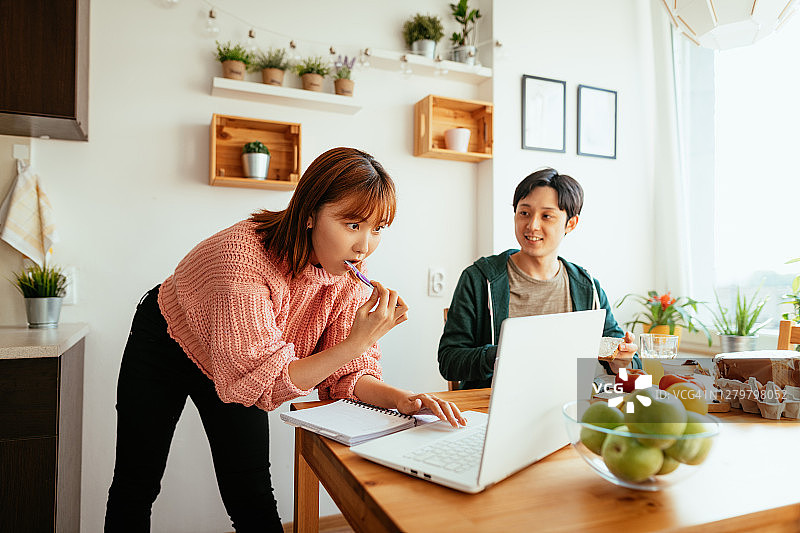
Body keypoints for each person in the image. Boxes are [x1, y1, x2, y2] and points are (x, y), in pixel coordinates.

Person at [105, 147, 466, 533]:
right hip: (166, 343)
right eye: (352, 224)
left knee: (252, 494)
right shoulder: (242, 258)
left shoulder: (347, 275)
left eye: (377, 228)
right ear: (310, 214)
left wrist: (401, 400)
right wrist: (355, 343)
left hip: (246, 366)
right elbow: (262, 381)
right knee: (137, 482)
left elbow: (346, 375)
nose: (364, 246)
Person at [438, 168, 641, 390]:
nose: (532, 225)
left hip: (567, 406)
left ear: (570, 224)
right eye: (524, 213)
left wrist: (622, 361)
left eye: (547, 216)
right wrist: (501, 354)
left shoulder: (587, 287)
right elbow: (450, 361)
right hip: (493, 408)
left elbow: (625, 358)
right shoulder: (480, 279)